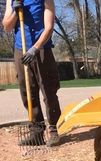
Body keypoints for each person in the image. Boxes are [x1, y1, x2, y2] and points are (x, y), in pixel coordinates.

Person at [2, 0, 61, 146]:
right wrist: (16, 11)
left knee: (49, 90)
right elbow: (7, 26)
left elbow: (49, 27)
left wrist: (35, 48)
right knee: (27, 92)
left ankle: (55, 129)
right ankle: (36, 132)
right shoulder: (12, 0)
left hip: (42, 49)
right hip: (20, 50)